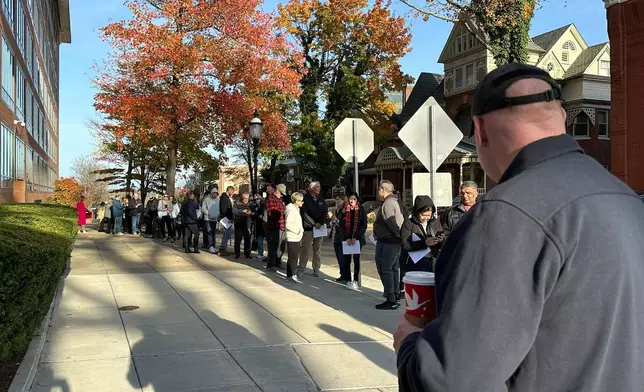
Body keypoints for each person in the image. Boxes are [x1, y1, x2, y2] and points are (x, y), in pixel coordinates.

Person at [395, 63, 644, 391]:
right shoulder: (627, 199)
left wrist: (410, 344)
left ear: (480, 131)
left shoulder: (505, 214)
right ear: (561, 120)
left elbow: (452, 381)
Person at [372, 180, 404, 310]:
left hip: (388, 241)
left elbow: (392, 223)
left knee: (385, 268)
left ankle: (391, 298)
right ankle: (395, 295)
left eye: (379, 190)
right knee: (394, 268)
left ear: (382, 190)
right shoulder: (396, 202)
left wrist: (397, 235)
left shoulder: (388, 204)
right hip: (393, 241)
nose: (378, 192)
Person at [400, 195, 443, 279]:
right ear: (417, 212)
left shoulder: (434, 222)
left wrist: (441, 239)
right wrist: (425, 243)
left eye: (429, 215)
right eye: (423, 215)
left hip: (433, 260)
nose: (426, 218)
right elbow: (404, 244)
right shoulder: (409, 223)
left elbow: (441, 234)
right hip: (416, 263)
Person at [298, 181, 327, 278]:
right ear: (311, 188)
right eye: (317, 187)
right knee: (305, 249)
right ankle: (301, 268)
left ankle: (316, 268)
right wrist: (314, 224)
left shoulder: (321, 199)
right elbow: (304, 214)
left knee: (317, 249)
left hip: (320, 228)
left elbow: (325, 212)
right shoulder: (305, 199)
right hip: (309, 228)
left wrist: (321, 223)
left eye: (319, 187)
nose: (319, 188)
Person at [338, 192, 367, 290]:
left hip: (357, 240)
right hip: (347, 240)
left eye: (354, 199)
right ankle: (348, 279)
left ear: (357, 200)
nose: (352, 201)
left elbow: (363, 225)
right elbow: (341, 226)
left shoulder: (361, 209)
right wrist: (347, 237)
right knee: (346, 261)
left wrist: (356, 237)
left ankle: (356, 280)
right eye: (351, 199)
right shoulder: (344, 210)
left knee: (356, 261)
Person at [285, 192, 304, 283]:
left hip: (296, 237)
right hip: (292, 236)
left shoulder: (296, 209)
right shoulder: (291, 209)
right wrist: (297, 231)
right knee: (293, 257)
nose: (302, 202)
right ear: (296, 201)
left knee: (293, 257)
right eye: (301, 200)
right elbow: (288, 224)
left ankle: (289, 275)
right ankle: (292, 275)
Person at [265, 184, 286, 270]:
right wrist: (283, 212)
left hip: (282, 225)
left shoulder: (280, 200)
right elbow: (272, 213)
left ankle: (278, 262)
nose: (282, 194)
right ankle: (271, 264)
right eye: (281, 192)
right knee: (273, 246)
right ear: (279, 190)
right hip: (274, 226)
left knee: (281, 246)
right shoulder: (271, 199)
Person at [329, 194, 348, 282]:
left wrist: (334, 219)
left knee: (343, 258)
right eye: (336, 199)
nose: (337, 201)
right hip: (335, 237)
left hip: (342, 237)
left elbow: (343, 224)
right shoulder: (336, 210)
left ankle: (345, 276)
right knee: (339, 258)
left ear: (344, 200)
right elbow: (333, 224)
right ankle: (342, 274)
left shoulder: (345, 211)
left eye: (339, 199)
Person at [233, 193, 255, 259]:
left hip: (248, 224)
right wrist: (242, 211)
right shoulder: (237, 203)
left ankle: (247, 253)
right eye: (245, 198)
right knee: (237, 240)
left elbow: (255, 212)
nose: (246, 200)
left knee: (248, 240)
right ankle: (237, 253)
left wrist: (251, 213)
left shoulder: (251, 204)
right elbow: (234, 211)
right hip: (239, 223)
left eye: (247, 198)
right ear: (242, 198)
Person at [202, 188, 220, 254]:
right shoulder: (206, 199)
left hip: (214, 219)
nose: (214, 195)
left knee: (213, 233)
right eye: (213, 194)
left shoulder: (218, 200)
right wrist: (208, 213)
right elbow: (203, 208)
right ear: (211, 193)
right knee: (209, 232)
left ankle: (213, 246)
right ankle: (210, 246)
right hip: (208, 219)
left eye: (216, 194)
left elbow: (218, 209)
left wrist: (217, 215)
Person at [218, 186, 235, 256]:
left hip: (226, 218)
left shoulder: (225, 198)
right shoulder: (224, 198)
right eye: (232, 191)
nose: (232, 193)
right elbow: (225, 210)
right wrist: (229, 218)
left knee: (227, 234)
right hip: (226, 218)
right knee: (226, 234)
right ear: (230, 190)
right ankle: (222, 248)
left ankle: (223, 247)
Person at [253, 194, 266, 259]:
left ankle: (261, 253)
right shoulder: (256, 205)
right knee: (259, 238)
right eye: (254, 199)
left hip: (262, 224)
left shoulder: (263, 205)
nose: (256, 200)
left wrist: (255, 214)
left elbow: (262, 215)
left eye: (257, 199)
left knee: (260, 238)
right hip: (258, 224)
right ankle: (260, 252)